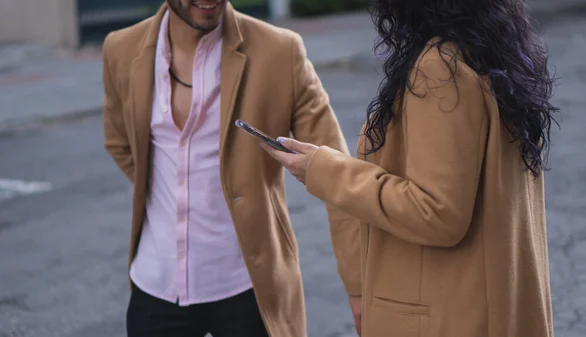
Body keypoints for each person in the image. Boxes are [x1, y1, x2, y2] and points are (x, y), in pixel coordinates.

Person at [263, 0, 558, 336]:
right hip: (497, 301)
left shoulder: (440, 68)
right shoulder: (489, 49)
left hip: (448, 314)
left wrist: (323, 170)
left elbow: (438, 212)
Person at [102, 1, 362, 336]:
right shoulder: (120, 49)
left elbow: (338, 176)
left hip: (249, 287)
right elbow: (119, 143)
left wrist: (358, 287)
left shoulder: (280, 51)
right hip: (156, 286)